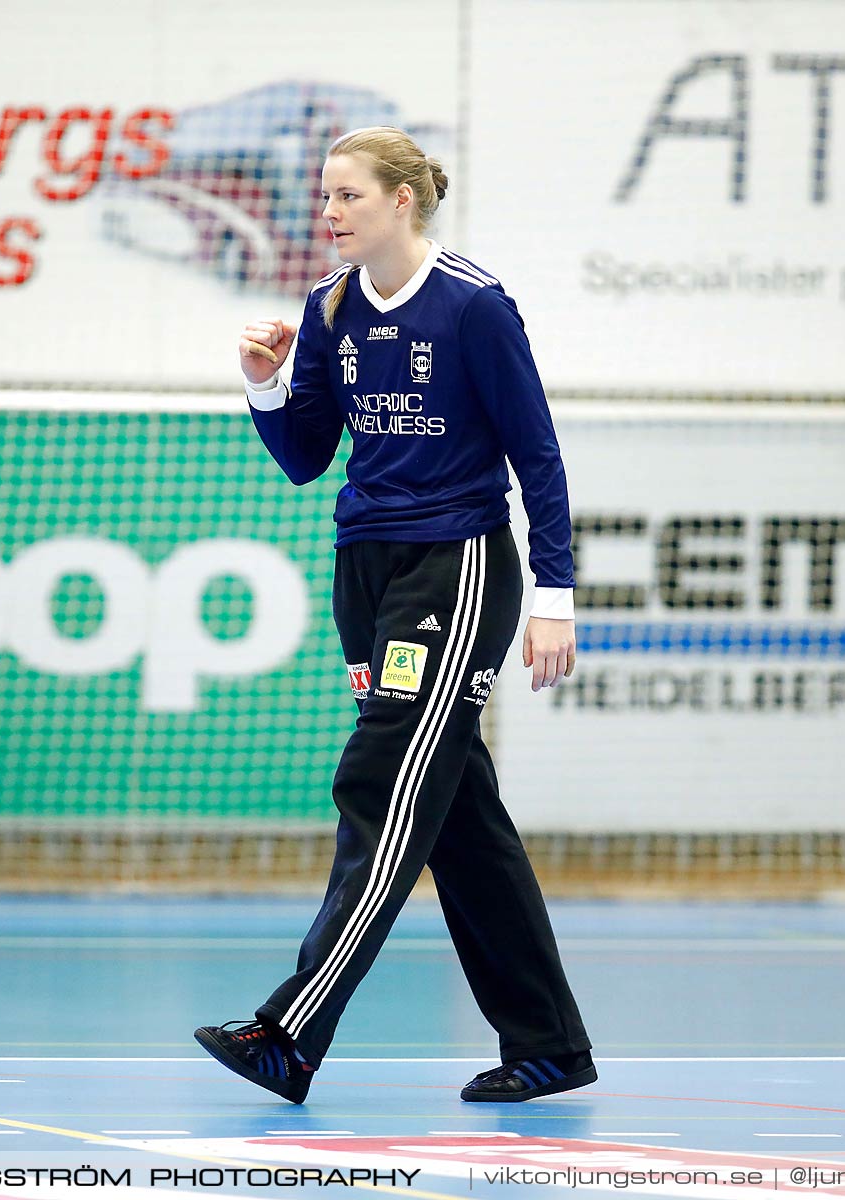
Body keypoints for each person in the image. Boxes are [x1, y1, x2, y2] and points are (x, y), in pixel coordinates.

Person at [193, 126, 594, 1105]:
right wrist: (266, 385)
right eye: (323, 197)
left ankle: (289, 1034)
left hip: (456, 572)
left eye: (346, 197)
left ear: (402, 201)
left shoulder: (473, 306)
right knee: (460, 818)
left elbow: (536, 457)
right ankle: (549, 1045)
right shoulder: (328, 306)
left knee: (381, 786)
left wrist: (554, 599)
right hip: (366, 573)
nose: (327, 214)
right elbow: (306, 455)